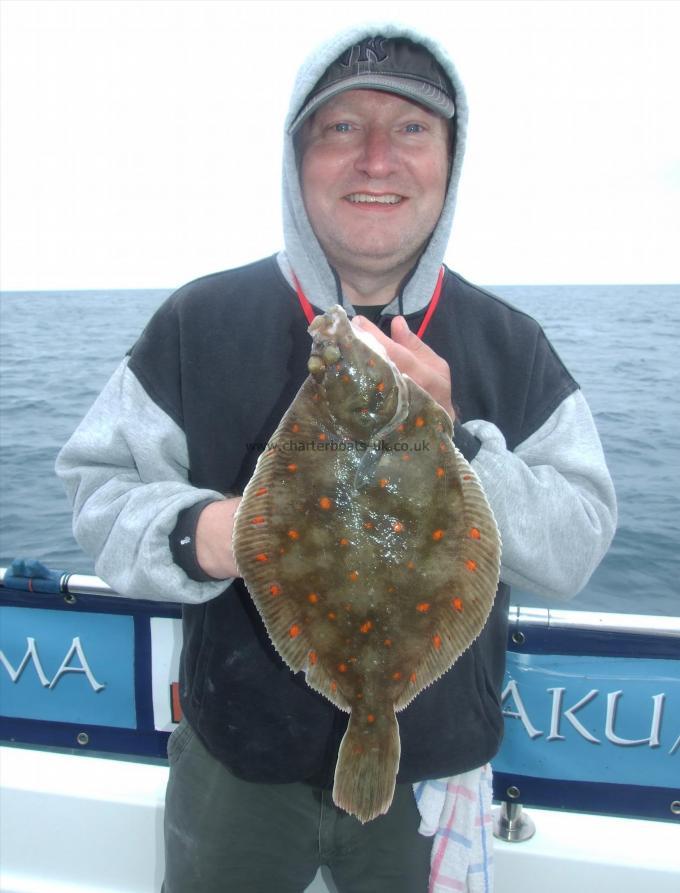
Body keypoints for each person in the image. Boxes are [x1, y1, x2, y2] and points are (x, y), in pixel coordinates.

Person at [56, 23, 617, 893]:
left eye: (412, 129)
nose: (378, 160)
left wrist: (457, 439)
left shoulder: (514, 345)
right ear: (298, 157)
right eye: (343, 128)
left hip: (434, 776)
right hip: (233, 763)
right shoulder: (196, 321)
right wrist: (215, 534)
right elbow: (96, 491)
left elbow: (579, 542)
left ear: (450, 158)